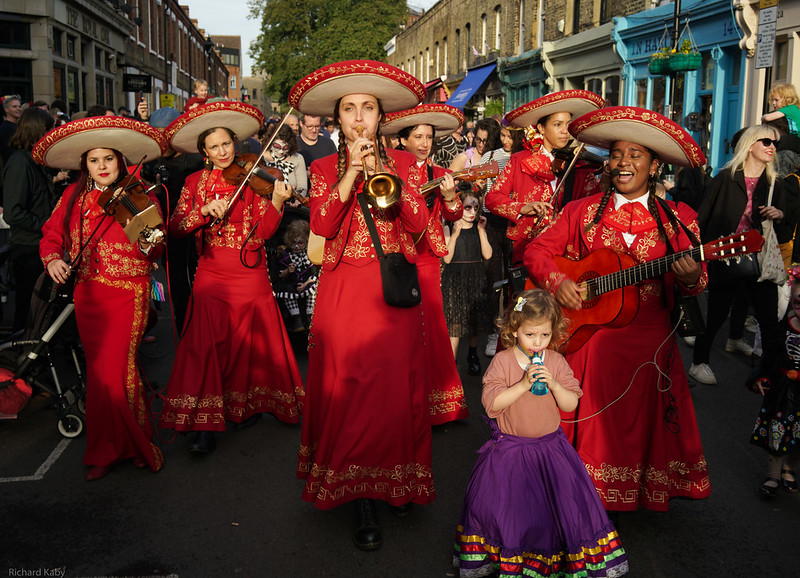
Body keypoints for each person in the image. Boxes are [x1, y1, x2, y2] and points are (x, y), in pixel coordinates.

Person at [524, 106, 712, 511]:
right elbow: (537, 251)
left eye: (636, 155)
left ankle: (629, 494)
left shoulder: (679, 220)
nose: (624, 163)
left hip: (649, 339)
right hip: (590, 335)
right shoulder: (582, 211)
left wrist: (688, 275)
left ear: (654, 165)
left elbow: (697, 283)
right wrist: (560, 284)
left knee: (642, 417)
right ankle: (581, 491)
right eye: (617, 154)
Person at [288, 60, 432, 550]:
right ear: (337, 119)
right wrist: (351, 172)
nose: (358, 118)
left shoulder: (407, 162)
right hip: (345, 292)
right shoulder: (323, 166)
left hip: (393, 295)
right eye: (348, 110)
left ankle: (396, 482)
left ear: (380, 117)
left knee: (394, 393)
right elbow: (324, 227)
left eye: (367, 109)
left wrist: (386, 171)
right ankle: (360, 495)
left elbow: (418, 224)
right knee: (351, 393)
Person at [160, 101, 304, 454]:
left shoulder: (255, 174)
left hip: (250, 268)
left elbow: (265, 233)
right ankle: (205, 423)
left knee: (247, 343)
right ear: (204, 152)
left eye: (227, 144)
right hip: (212, 269)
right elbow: (175, 228)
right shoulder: (195, 182)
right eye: (214, 147)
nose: (223, 152)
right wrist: (200, 213)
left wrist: (276, 203)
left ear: (235, 144)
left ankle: (244, 406)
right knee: (204, 346)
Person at [453, 289, 628, 578]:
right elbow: (491, 405)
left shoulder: (556, 362)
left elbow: (571, 404)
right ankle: (513, 559)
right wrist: (522, 385)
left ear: (553, 332)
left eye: (544, 336)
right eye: (530, 335)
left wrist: (556, 385)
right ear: (513, 331)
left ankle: (548, 561)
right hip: (510, 452)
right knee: (508, 514)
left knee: (555, 512)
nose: (537, 343)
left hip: (551, 451)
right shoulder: (503, 362)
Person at [34, 116, 168, 480]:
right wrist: (53, 258)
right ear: (85, 165)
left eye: (108, 159)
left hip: (127, 296)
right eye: (94, 160)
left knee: (117, 373)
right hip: (88, 296)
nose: (102, 167)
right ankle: (107, 447)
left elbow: (153, 252)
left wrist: (147, 238)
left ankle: (133, 445)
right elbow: (50, 235)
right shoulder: (72, 196)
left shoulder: (137, 194)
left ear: (120, 161)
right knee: (99, 375)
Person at [382, 103, 469, 424]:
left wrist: (449, 197)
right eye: (417, 136)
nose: (424, 142)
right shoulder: (390, 171)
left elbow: (455, 214)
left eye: (429, 137)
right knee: (398, 327)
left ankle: (439, 405)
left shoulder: (443, 175)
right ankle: (399, 401)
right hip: (396, 255)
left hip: (429, 257)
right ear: (402, 140)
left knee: (431, 325)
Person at [689, 125, 793, 385]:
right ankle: (699, 362)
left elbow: (787, 226)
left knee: (769, 319)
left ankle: (773, 372)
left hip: (759, 261)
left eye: (775, 144)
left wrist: (779, 216)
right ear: (749, 144)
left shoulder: (775, 183)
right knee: (716, 314)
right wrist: (698, 255)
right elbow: (704, 217)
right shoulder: (726, 177)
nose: (772, 147)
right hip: (727, 258)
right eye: (766, 141)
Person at [486, 90, 604, 266]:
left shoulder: (579, 165)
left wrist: (607, 180)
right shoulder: (520, 160)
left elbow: (594, 204)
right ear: (541, 128)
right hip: (525, 245)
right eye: (558, 125)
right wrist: (522, 208)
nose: (565, 131)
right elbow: (492, 199)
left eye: (568, 124)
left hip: (565, 250)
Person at [748, 264, 800, 498]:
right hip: (782, 393)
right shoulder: (785, 328)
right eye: (798, 302)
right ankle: (773, 475)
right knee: (778, 432)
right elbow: (770, 354)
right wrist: (759, 376)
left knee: (797, 435)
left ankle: (789, 466)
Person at [3, 108, 56, 332]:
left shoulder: (33, 160)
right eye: (49, 130)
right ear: (38, 131)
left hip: (38, 244)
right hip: (28, 247)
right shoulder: (20, 163)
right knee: (28, 307)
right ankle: (23, 356)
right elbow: (13, 213)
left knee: (40, 307)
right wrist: (45, 225)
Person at [479, 124, 525, 357]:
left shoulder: (525, 157)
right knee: (494, 281)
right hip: (493, 222)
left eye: (510, 136)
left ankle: (514, 329)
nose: (506, 140)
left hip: (517, 223)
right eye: (504, 135)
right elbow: (485, 190)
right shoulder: (490, 156)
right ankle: (492, 332)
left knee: (517, 282)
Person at [442, 188, 493, 375]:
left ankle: (473, 355)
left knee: (473, 322)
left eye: (475, 207)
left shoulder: (478, 228)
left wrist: (481, 231)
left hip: (475, 276)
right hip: (455, 277)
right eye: (467, 207)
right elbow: (447, 259)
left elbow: (487, 254)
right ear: (458, 207)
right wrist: (454, 235)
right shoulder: (448, 225)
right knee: (455, 322)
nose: (472, 212)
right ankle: (451, 361)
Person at [274, 219, 318, 332]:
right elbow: (281, 275)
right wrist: (288, 270)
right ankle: (296, 319)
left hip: (307, 283)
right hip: (291, 284)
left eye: (300, 243)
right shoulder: (286, 254)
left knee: (314, 288)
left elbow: (314, 273)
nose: (297, 246)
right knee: (286, 291)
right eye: (294, 242)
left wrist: (305, 284)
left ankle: (310, 317)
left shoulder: (310, 253)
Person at [262, 122, 308, 198]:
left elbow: (302, 187)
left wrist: (298, 199)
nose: (281, 151)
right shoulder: (262, 158)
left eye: (285, 148)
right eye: (277, 146)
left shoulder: (298, 158)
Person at [0, 94, 22, 163]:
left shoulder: (17, 126)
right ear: (6, 109)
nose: (18, 109)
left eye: (19, 106)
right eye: (14, 106)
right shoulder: (6, 128)